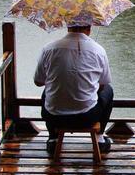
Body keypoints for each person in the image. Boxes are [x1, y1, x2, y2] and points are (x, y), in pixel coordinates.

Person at [34, 25, 114, 154]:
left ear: (68, 27)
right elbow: (103, 84)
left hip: (54, 117)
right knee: (108, 91)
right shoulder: (98, 50)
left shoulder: (49, 48)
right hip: (87, 117)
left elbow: (38, 82)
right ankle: (99, 139)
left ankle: (53, 139)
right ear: (88, 28)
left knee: (47, 89)